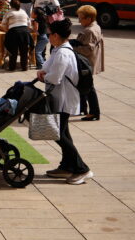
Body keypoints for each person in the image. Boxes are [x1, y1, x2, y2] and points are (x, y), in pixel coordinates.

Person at [37, 19, 93, 184]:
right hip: (59, 97)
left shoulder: (63, 53)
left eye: (49, 34)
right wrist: (43, 73)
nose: (48, 37)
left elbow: (54, 77)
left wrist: (43, 76)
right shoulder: (59, 50)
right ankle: (67, 166)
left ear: (55, 35)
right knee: (63, 134)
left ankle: (82, 169)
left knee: (58, 134)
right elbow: (46, 68)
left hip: (64, 99)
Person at [74, 5, 104, 121]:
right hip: (88, 62)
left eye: (81, 18)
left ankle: (94, 113)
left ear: (89, 18)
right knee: (83, 85)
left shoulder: (90, 31)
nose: (79, 21)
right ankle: (83, 108)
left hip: (86, 63)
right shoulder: (95, 26)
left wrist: (73, 47)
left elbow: (87, 49)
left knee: (89, 88)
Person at [0, 0, 31, 71]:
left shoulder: (9, 12)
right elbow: (29, 23)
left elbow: (3, 24)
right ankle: (24, 67)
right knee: (24, 51)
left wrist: (7, 29)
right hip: (25, 32)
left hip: (14, 32)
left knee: (13, 51)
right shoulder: (23, 11)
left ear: (11, 5)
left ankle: (12, 67)